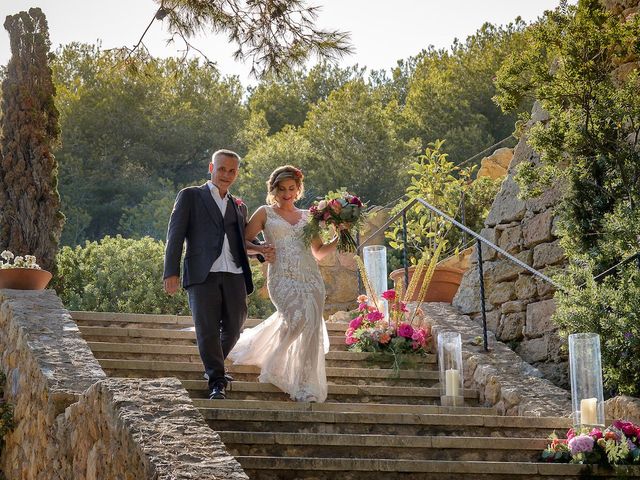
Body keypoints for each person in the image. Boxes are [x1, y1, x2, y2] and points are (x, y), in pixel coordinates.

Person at [163, 149, 274, 400]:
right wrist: (170, 271)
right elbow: (175, 235)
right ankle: (216, 381)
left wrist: (261, 250)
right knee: (207, 329)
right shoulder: (190, 196)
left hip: (234, 272)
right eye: (222, 169)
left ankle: (214, 368)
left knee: (235, 326)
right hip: (203, 273)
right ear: (211, 168)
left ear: (236, 173)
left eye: (232, 171)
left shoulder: (239, 205)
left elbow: (243, 236)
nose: (226, 174)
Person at [228, 165, 338, 403]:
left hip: (311, 279)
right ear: (274, 190)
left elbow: (318, 252)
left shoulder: (309, 217)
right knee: (297, 318)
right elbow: (242, 243)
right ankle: (276, 363)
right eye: (282, 189)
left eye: (291, 188)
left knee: (310, 326)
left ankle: (305, 384)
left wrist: (340, 237)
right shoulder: (264, 213)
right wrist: (260, 249)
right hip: (281, 277)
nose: (287, 193)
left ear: (298, 189)